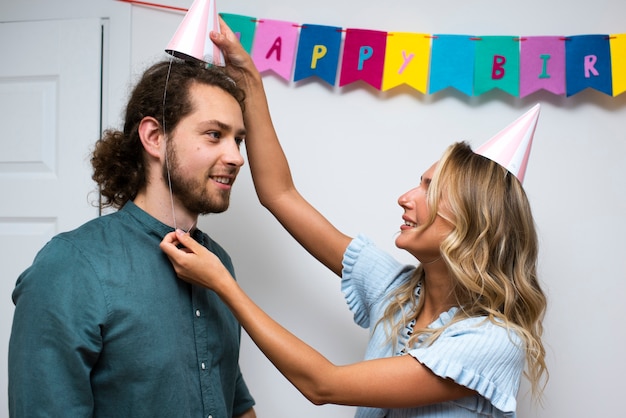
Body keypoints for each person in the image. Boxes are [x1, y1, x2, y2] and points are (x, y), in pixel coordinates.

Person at [161, 20, 548, 418]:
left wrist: (224, 285)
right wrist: (250, 82)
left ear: (473, 221)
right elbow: (280, 194)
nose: (405, 198)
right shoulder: (396, 294)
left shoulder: (493, 341)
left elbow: (322, 384)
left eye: (430, 188)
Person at [9, 58, 256, 418]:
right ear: (154, 137)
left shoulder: (219, 265)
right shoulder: (72, 266)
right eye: (214, 135)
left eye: (238, 140)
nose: (236, 157)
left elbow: (233, 400)